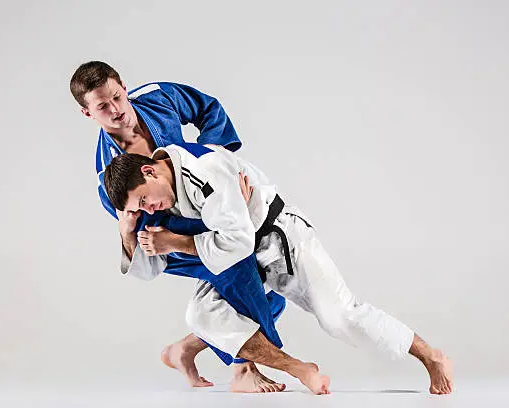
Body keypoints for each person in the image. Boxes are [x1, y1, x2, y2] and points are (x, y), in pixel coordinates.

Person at [103, 143, 454, 395]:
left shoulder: (202, 172)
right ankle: (295, 368)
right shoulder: (165, 192)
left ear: (148, 170)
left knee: (340, 317)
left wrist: (177, 243)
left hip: (282, 240)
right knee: (202, 313)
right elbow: (150, 270)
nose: (149, 209)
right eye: (140, 208)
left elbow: (236, 241)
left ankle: (431, 356)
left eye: (144, 200)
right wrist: (127, 230)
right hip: (243, 261)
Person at [70, 61, 307, 393]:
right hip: (172, 236)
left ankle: (185, 349)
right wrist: (160, 237)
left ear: (123, 86)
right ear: (87, 114)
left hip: (207, 204)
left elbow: (208, 109)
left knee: (268, 287)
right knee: (240, 272)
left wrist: (220, 169)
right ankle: (245, 370)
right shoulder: (107, 175)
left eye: (116, 97)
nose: (116, 110)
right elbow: (146, 237)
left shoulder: (156, 97)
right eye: (102, 107)